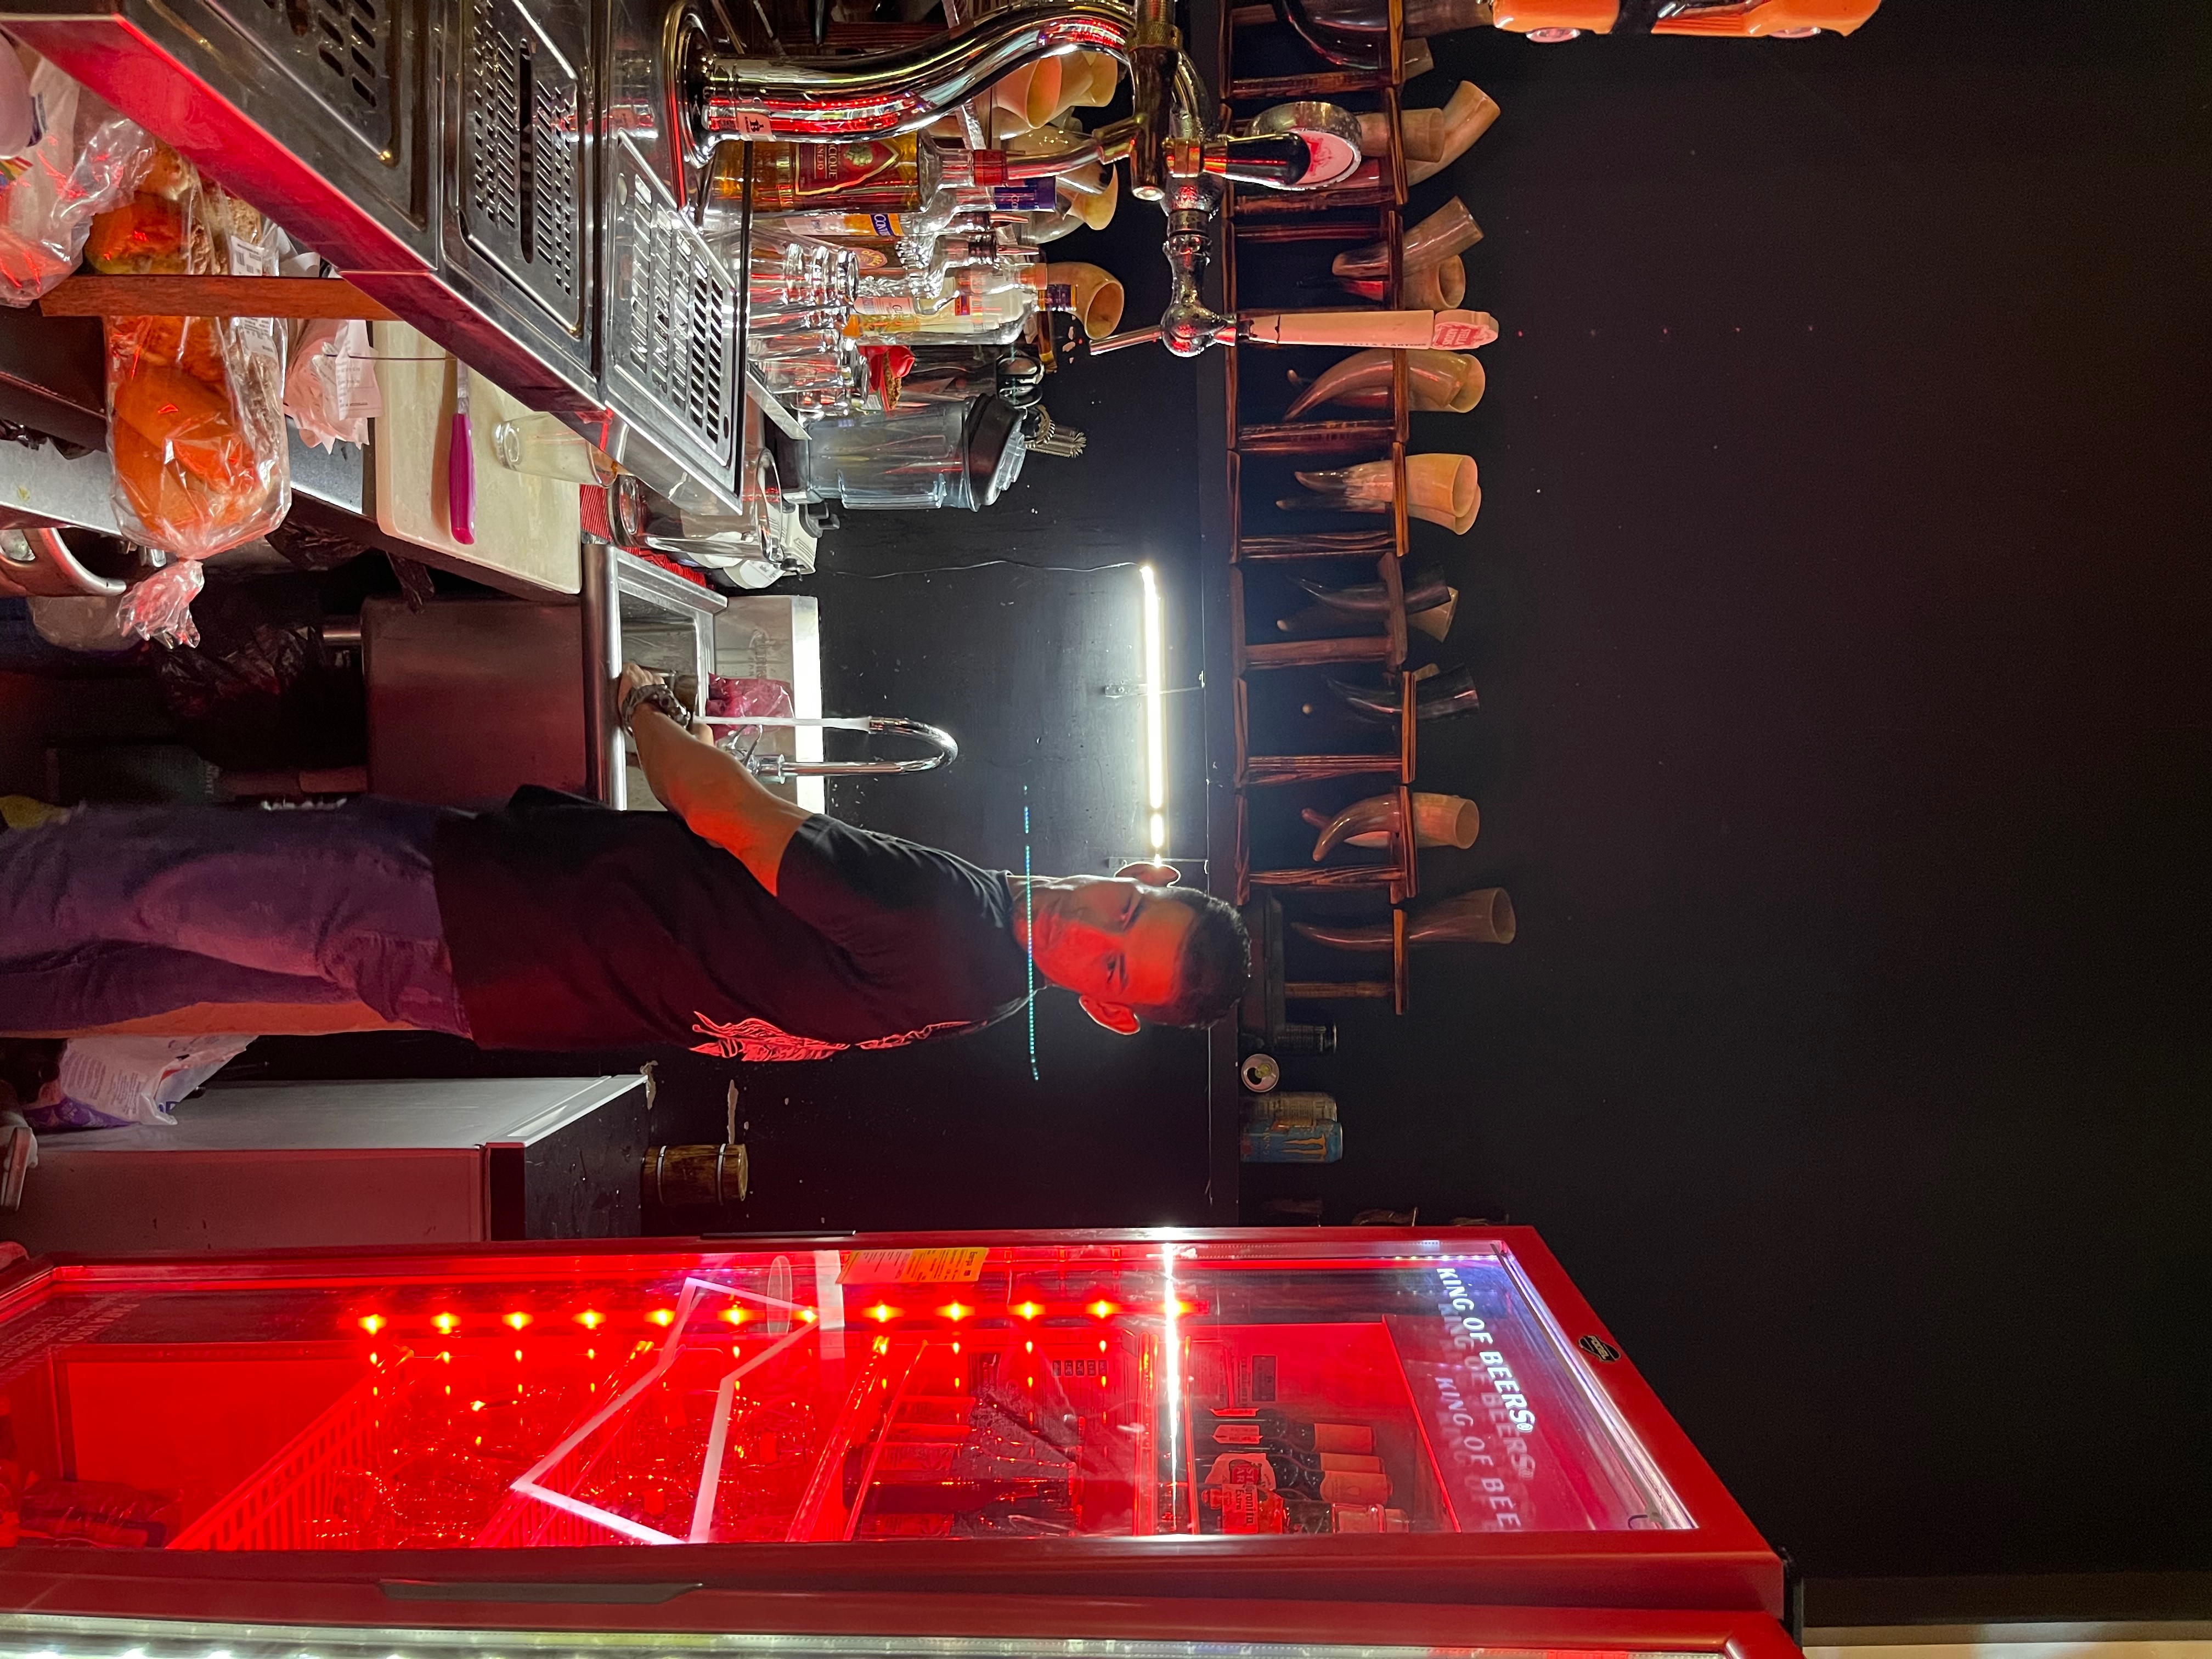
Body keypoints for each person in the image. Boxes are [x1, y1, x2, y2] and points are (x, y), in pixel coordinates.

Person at [0, 664, 1250, 1060]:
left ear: (1108, 1011)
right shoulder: (974, 995)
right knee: (151, 969)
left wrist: (647, 707)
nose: (1092, 925)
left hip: (484, 910)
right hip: (499, 985)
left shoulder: (951, 918)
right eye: (1125, 907)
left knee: (132, 876)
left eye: (1114, 964)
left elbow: (720, 809)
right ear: (1136, 870)